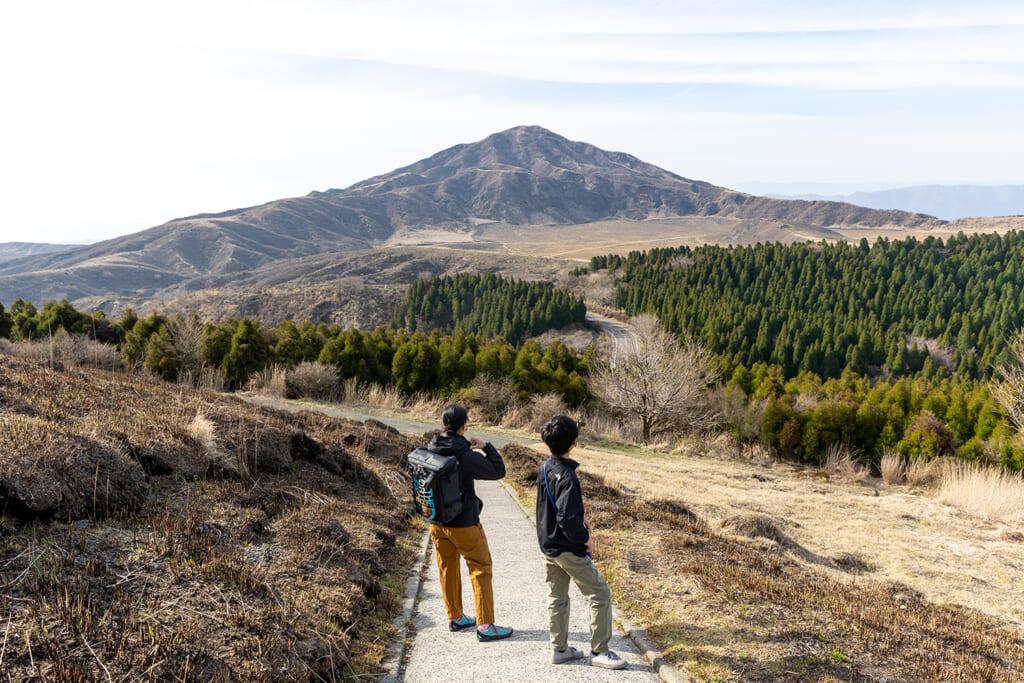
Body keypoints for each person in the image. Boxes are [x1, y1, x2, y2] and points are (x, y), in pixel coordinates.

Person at [536, 415, 627, 669]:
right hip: (567, 549)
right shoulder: (567, 477)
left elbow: (553, 510)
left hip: (548, 545)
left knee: (557, 597)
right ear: (574, 442)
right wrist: (586, 539)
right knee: (599, 593)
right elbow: (567, 520)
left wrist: (577, 519)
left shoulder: (544, 468)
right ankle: (600, 652)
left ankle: (560, 649)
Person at [426, 404, 514, 642]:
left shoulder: (430, 448)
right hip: (463, 523)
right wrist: (486, 446)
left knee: (447, 568)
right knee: (480, 567)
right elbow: (498, 470)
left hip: (436, 521)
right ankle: (485, 625)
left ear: (443, 425)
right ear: (463, 426)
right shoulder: (464, 455)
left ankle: (455, 617)